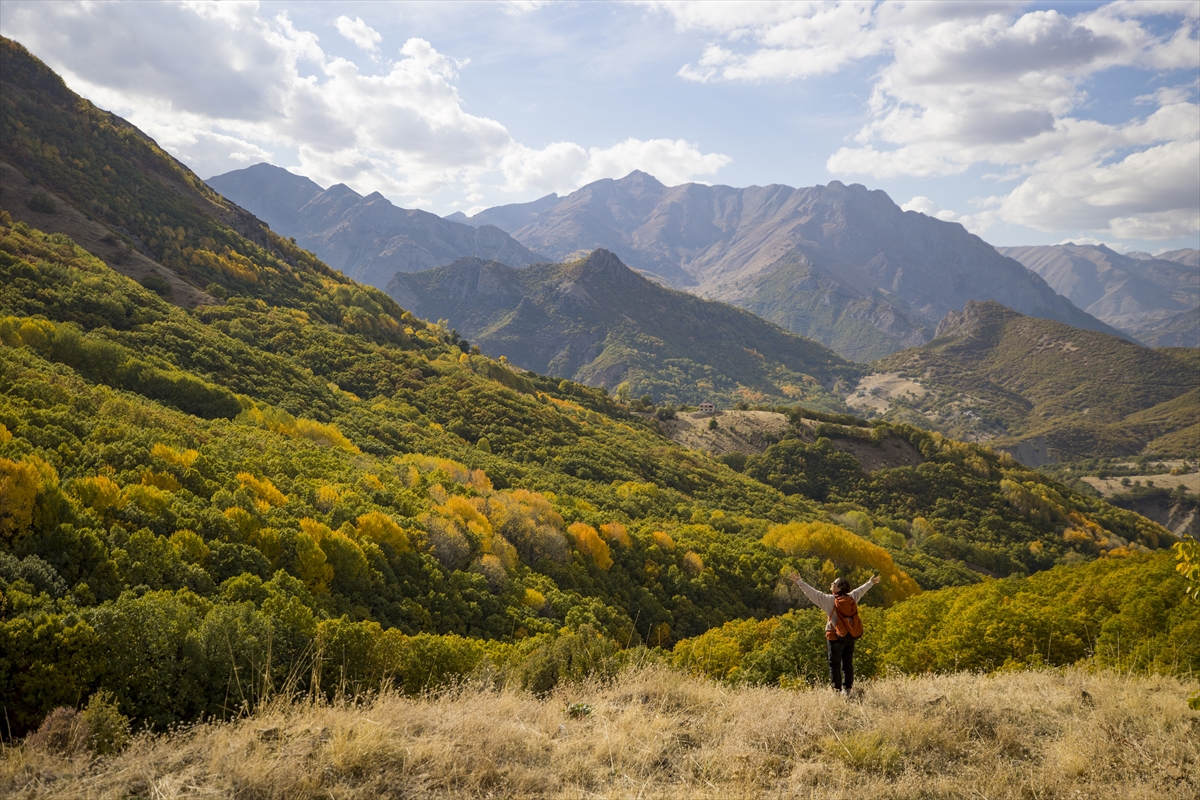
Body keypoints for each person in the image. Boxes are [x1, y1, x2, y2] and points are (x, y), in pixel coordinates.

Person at [791, 573, 881, 694]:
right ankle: (847, 689)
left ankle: (837, 691)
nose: (831, 584)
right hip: (850, 635)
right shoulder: (852, 598)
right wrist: (870, 583)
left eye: (834, 583)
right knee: (847, 663)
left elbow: (813, 593)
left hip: (834, 636)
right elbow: (860, 590)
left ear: (839, 588)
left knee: (834, 664)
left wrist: (799, 582)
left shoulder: (829, 600)